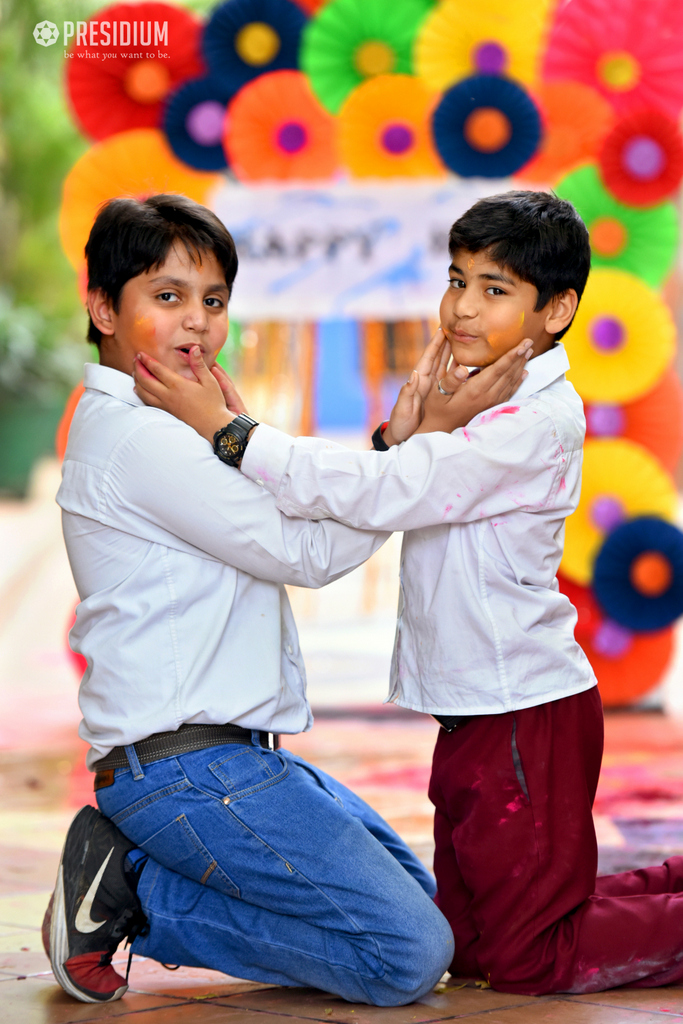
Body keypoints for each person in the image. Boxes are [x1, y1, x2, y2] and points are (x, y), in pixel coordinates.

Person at [135, 189, 683, 995]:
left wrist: (232, 434)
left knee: (530, 959)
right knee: (468, 944)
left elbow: (386, 489)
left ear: (558, 309)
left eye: (494, 290)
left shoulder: (534, 422)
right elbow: (395, 474)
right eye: (456, 279)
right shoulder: (479, 396)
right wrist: (406, 431)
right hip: (472, 714)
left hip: (523, 715)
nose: (461, 308)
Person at [44, 192, 531, 1006]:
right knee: (405, 955)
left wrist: (394, 446)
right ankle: (136, 893)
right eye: (166, 298)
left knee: (427, 910)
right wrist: (426, 448)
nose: (196, 324)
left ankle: (142, 869)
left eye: (212, 301)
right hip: (186, 772)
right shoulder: (142, 438)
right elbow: (305, 552)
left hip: (229, 762)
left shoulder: (176, 422)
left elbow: (296, 518)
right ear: (100, 305)